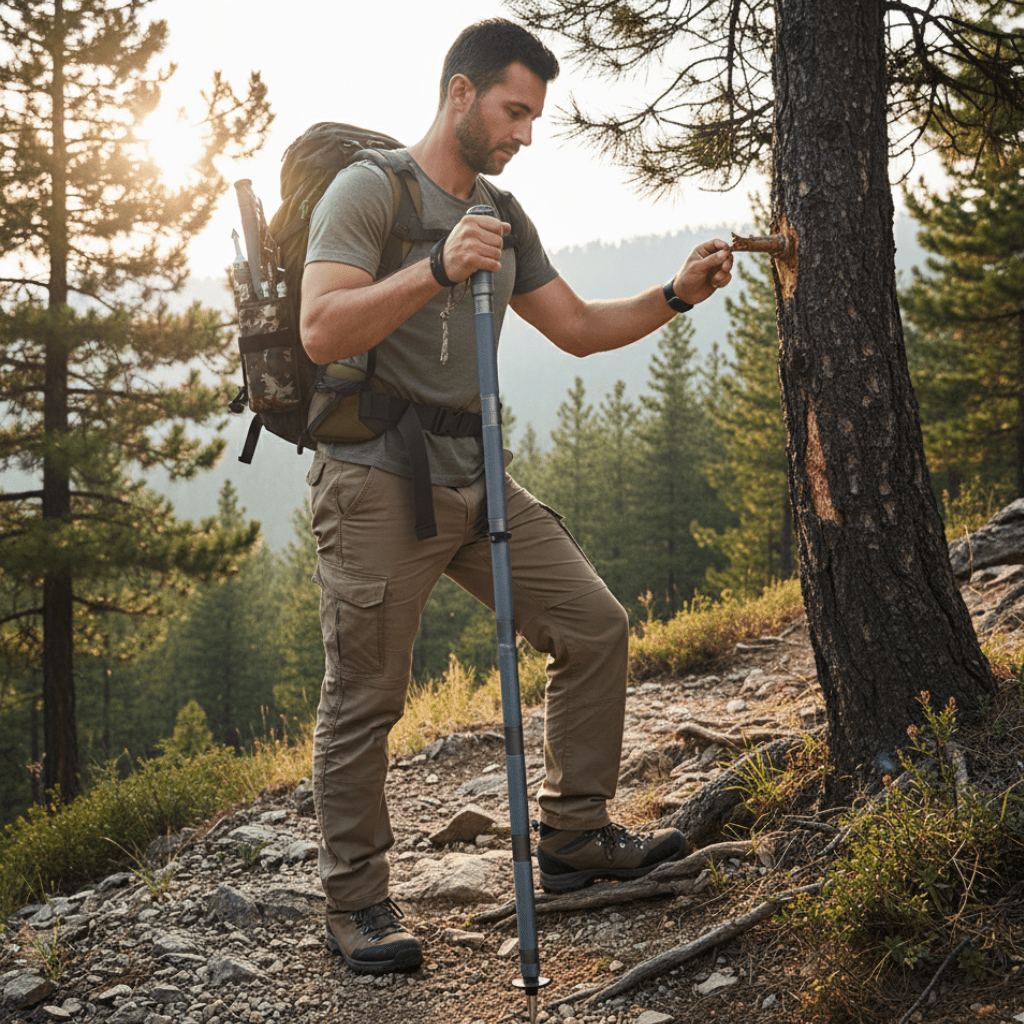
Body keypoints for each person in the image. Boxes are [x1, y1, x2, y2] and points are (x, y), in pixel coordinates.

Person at [300, 18, 734, 977]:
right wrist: (438, 267)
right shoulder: (369, 191)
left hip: (478, 475)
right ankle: (357, 903)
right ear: (460, 93)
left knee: (595, 625)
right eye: (514, 111)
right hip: (376, 480)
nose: (525, 134)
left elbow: (575, 326)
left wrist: (676, 294)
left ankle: (575, 840)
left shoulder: (502, 210)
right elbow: (321, 329)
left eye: (533, 117)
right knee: (366, 697)